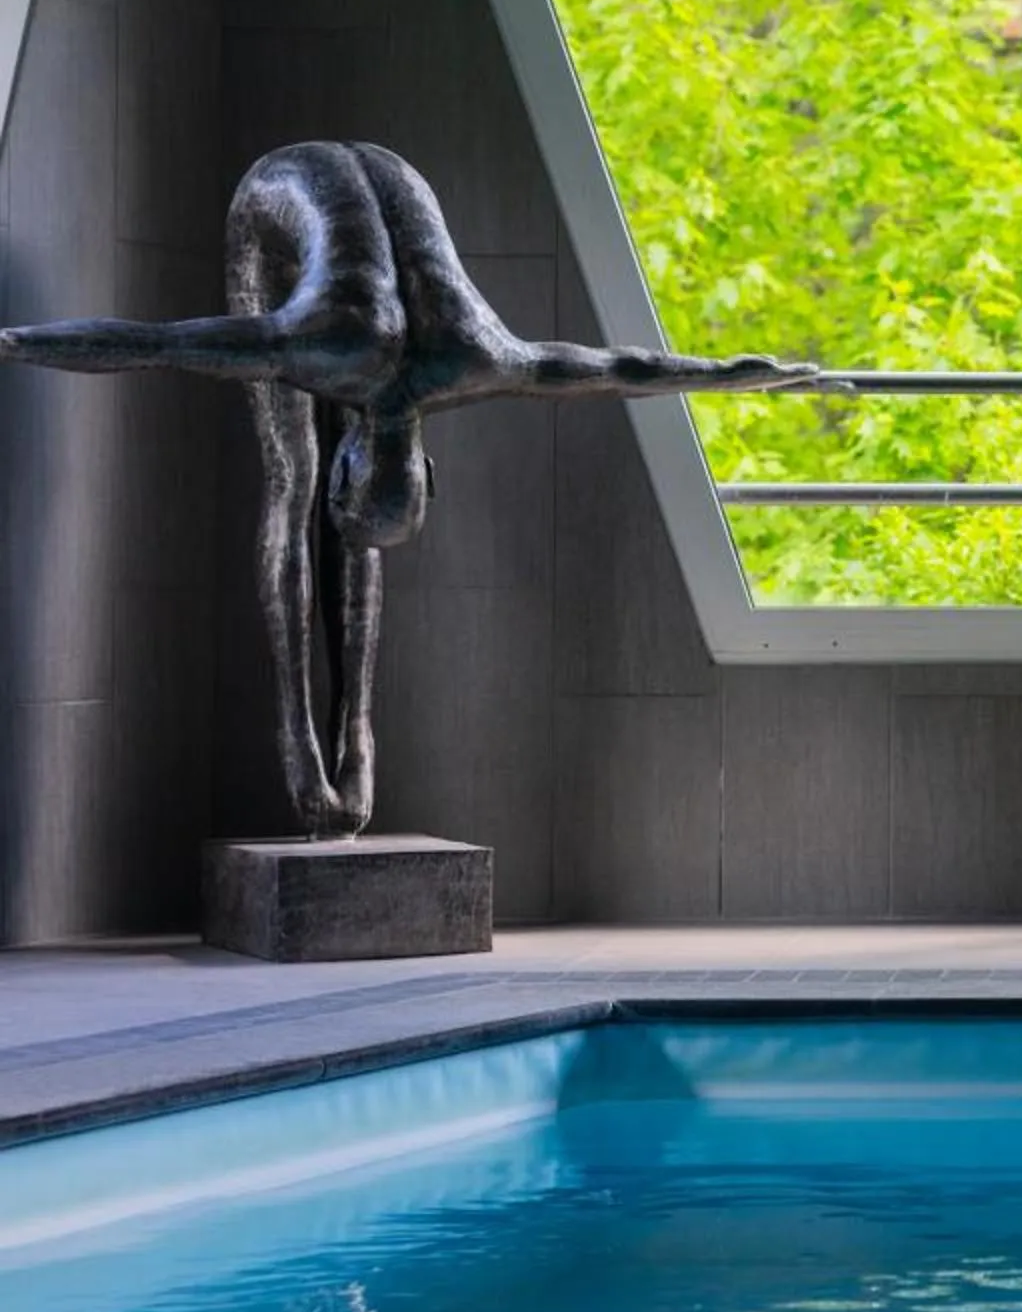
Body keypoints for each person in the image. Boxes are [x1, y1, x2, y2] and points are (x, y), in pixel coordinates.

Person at [0, 141, 819, 834]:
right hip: (278, 197)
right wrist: (15, 341)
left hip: (386, 181)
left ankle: (355, 728)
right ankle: (303, 736)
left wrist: (735, 375)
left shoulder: (488, 358)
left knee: (307, 485)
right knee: (291, 474)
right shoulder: (311, 346)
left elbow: (619, 368)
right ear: (424, 469)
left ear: (427, 469)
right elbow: (150, 344)